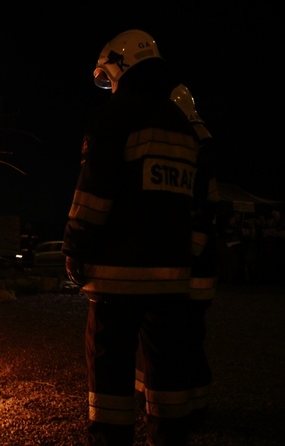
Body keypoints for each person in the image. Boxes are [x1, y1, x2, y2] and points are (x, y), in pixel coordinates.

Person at [62, 30, 210, 445]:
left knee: (110, 368)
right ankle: (169, 435)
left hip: (117, 276)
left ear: (121, 65)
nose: (109, 86)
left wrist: (75, 246)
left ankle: (110, 439)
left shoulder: (115, 116)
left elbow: (94, 192)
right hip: (172, 278)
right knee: (167, 371)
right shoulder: (180, 123)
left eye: (108, 76)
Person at [135, 84, 220, 431]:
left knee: (168, 341)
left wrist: (183, 251)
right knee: (189, 340)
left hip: (186, 266)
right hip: (197, 267)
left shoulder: (190, 143)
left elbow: (204, 207)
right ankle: (193, 409)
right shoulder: (201, 141)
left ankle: (170, 415)